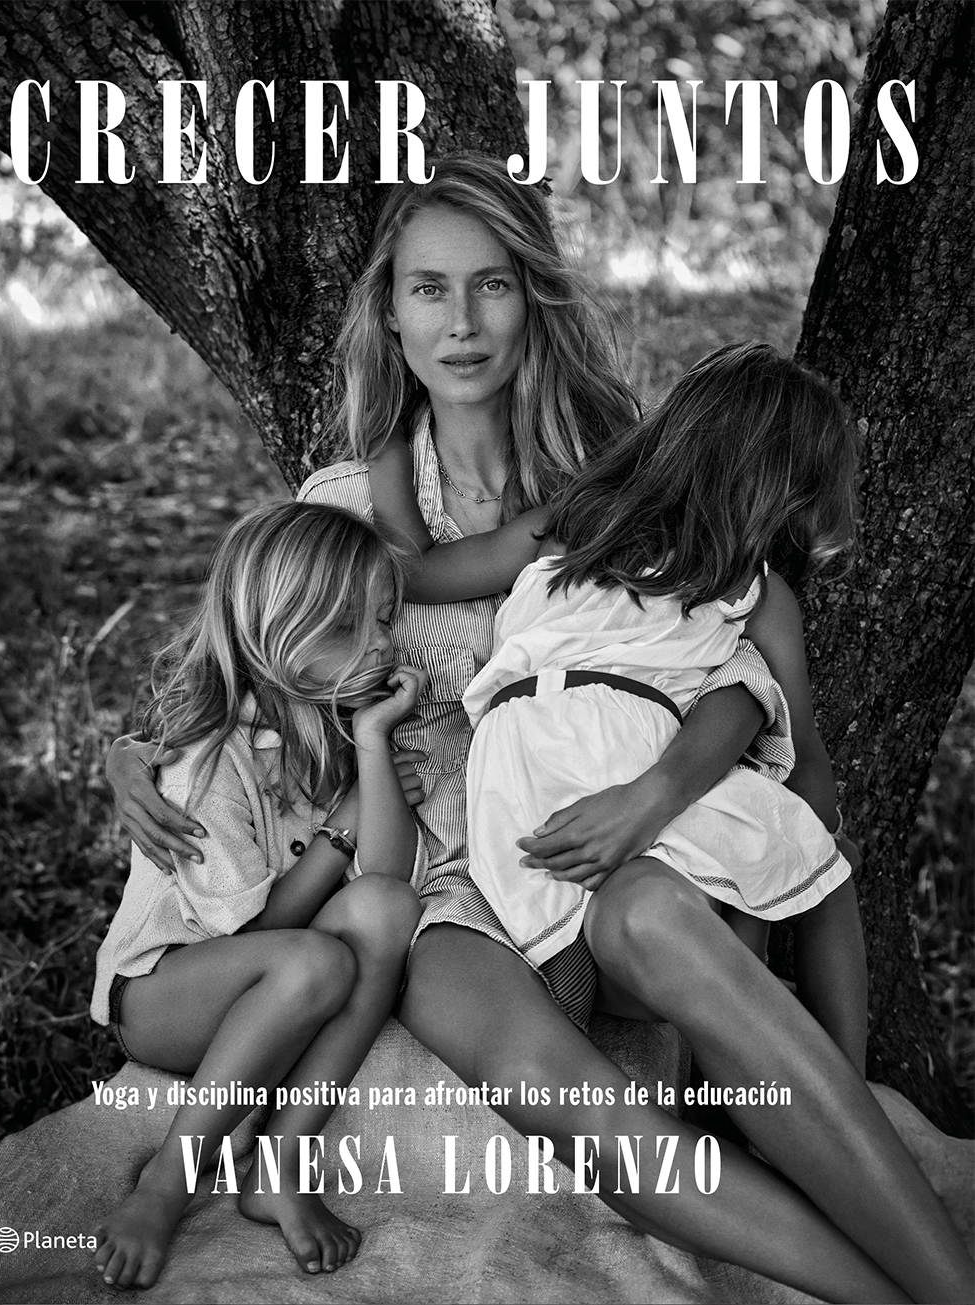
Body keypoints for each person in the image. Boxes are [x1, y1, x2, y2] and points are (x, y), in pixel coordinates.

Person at [107, 155, 973, 1303]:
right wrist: (130, 754)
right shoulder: (345, 509)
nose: (462, 323)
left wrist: (657, 799)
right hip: (443, 895)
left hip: (612, 855)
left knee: (653, 913)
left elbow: (745, 681)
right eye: (429, 288)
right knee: (579, 1105)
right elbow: (240, 659)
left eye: (493, 284)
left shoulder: (613, 494)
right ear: (390, 313)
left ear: (534, 297)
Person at [369, 340, 867, 1072]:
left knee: (731, 885)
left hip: (527, 794)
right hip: (630, 792)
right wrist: (822, 832)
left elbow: (417, 569)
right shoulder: (754, 592)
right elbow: (809, 774)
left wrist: (383, 442)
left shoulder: (568, 528)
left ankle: (742, 1059)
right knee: (820, 865)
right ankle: (840, 1079)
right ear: (786, 493)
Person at [91, 502, 426, 1289]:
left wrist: (372, 743)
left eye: (385, 618)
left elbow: (386, 880)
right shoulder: (207, 761)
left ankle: (280, 1160)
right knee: (313, 962)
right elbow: (251, 936)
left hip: (275, 976)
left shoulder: (335, 728)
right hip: (166, 994)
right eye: (348, 625)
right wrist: (341, 828)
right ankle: (166, 1181)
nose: (382, 642)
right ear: (276, 631)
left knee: (384, 912)